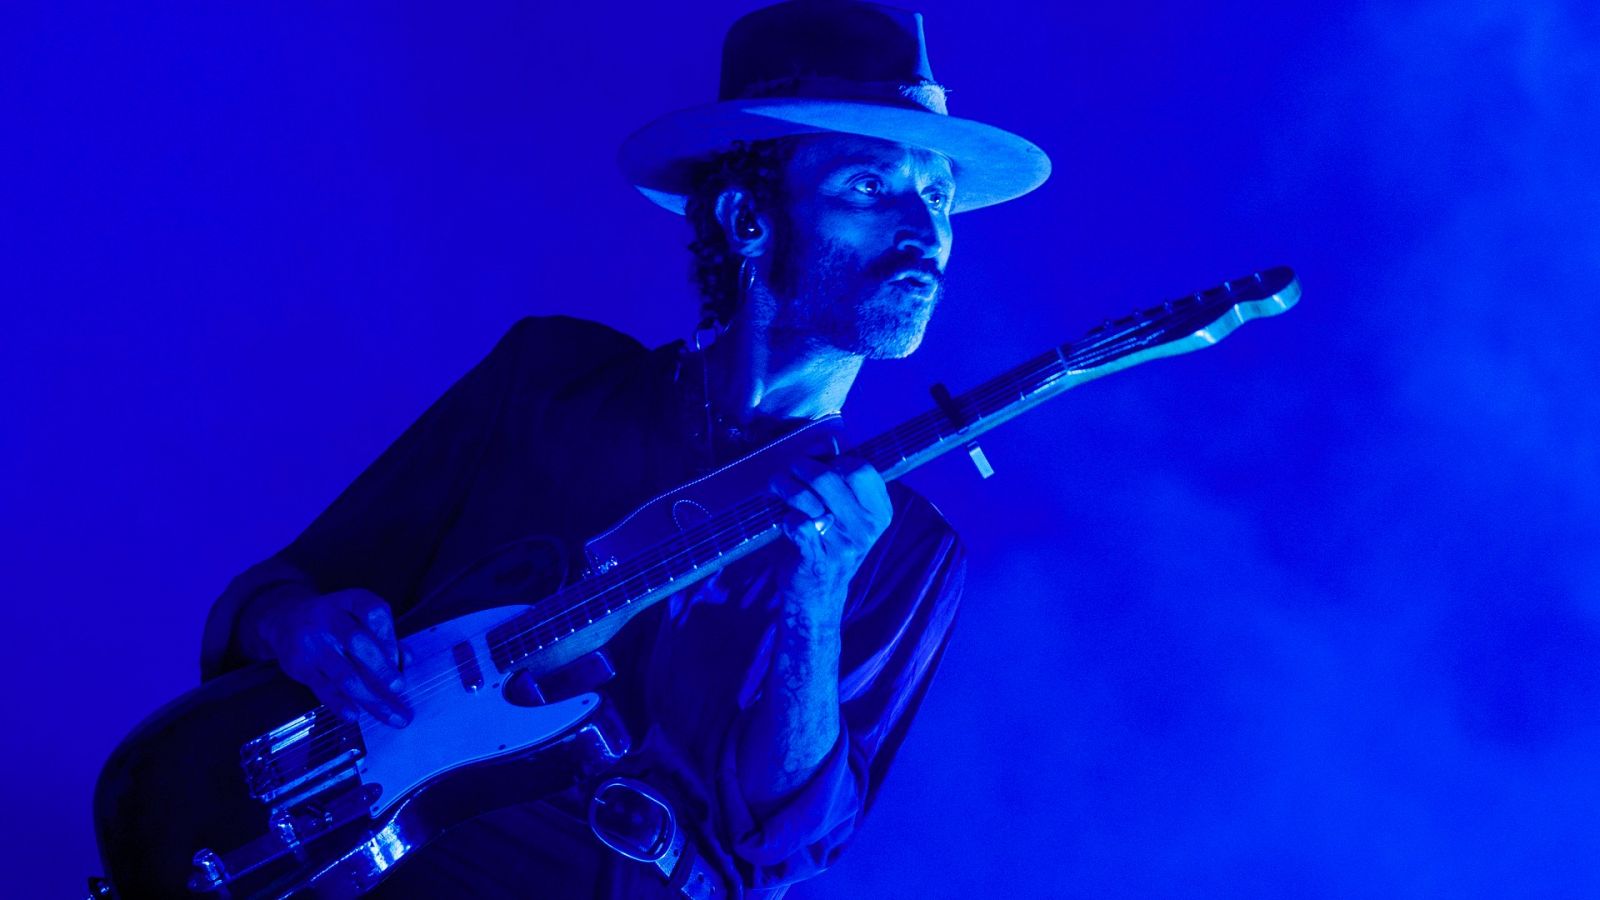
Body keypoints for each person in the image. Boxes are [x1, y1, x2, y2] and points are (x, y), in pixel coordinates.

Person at [199, 2, 1049, 897]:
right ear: (746, 218)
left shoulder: (908, 549)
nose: (926, 233)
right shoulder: (548, 381)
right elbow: (278, 592)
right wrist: (297, 626)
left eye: (940, 195)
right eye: (872, 189)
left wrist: (816, 600)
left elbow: (785, 846)